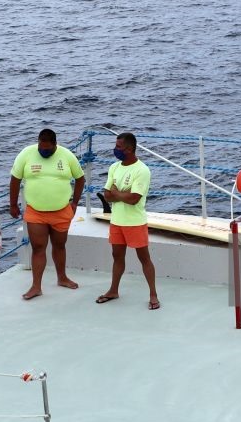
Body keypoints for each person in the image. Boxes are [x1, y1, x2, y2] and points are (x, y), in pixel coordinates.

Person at [9, 129, 85, 300]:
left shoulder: (67, 156)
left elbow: (80, 178)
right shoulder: (26, 154)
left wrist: (75, 203)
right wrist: (13, 204)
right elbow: (15, 179)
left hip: (61, 211)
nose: (43, 151)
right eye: (41, 148)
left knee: (59, 246)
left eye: (47, 149)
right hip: (36, 212)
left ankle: (62, 278)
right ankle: (36, 286)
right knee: (38, 248)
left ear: (55, 145)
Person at [96, 132, 160, 310]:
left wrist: (117, 193)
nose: (115, 150)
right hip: (117, 221)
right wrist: (120, 194)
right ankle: (113, 290)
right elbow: (108, 195)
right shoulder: (114, 167)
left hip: (135, 222)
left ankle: (153, 295)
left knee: (144, 258)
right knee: (117, 256)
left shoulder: (142, 170)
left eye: (119, 147)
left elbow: (134, 199)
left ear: (130, 149)